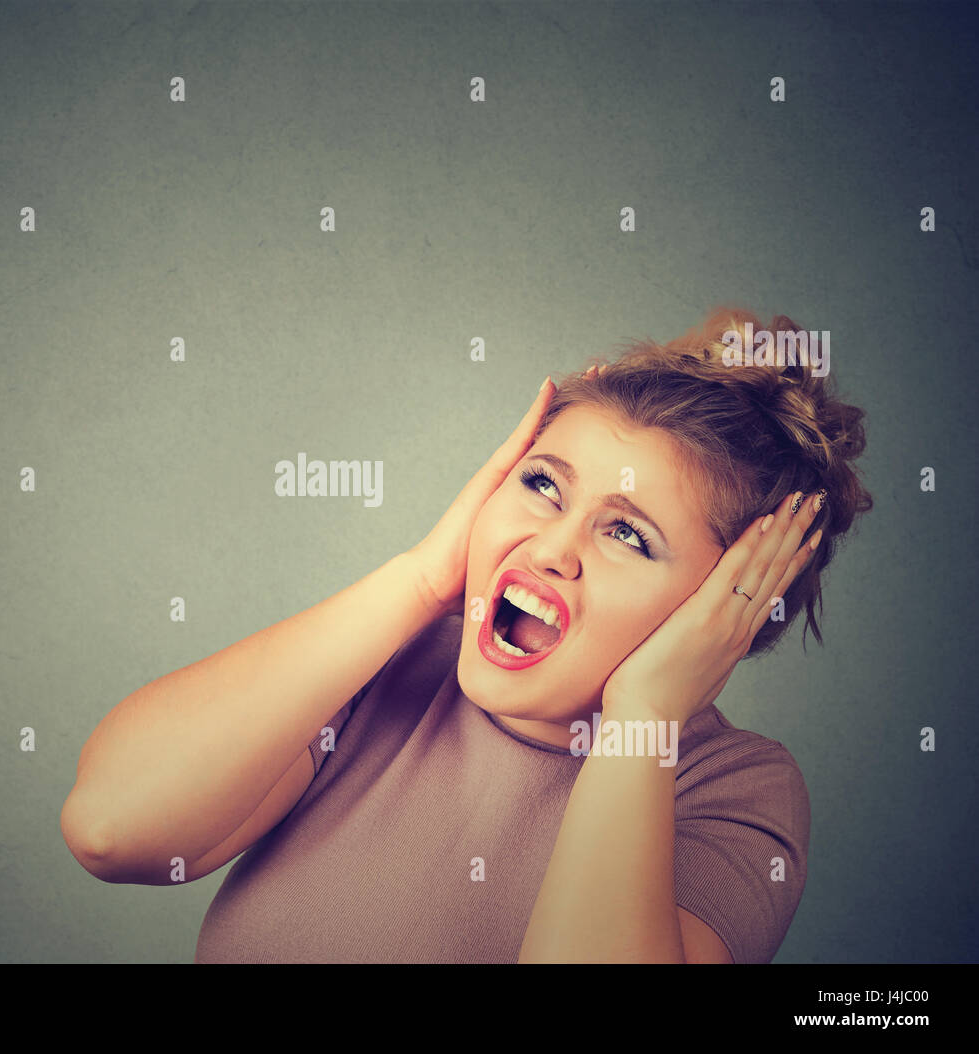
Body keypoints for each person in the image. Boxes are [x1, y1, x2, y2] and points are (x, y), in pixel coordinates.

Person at [60, 307, 873, 963]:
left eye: (627, 535)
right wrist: (420, 579)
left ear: (727, 605)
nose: (551, 548)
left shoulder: (734, 789)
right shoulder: (391, 670)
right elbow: (114, 828)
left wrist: (645, 716)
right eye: (544, 484)